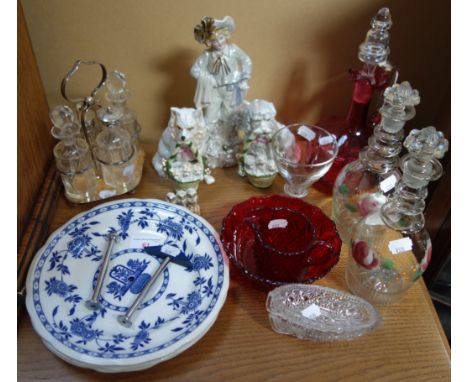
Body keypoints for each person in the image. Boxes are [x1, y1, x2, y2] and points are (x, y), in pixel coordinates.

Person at [191, 16, 252, 167]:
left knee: (229, 115)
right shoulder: (207, 55)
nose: (218, 43)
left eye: (221, 38)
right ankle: (210, 145)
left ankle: (227, 142)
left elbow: (247, 61)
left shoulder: (233, 50)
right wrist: (206, 77)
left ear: (227, 35)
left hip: (232, 88)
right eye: (213, 40)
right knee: (210, 117)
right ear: (208, 41)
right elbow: (194, 70)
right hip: (214, 91)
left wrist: (244, 76)